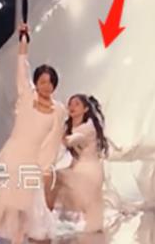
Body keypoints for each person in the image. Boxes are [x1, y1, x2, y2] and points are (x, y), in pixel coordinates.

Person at [0, 22, 67, 243]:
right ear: (36, 82)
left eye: (50, 82)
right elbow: (22, 66)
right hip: (11, 155)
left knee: (23, 208)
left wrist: (45, 167)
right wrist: (23, 40)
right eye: (43, 81)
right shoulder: (26, 96)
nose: (46, 86)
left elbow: (53, 141)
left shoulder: (58, 110)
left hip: (32, 163)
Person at [49, 94, 108, 232]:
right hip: (77, 168)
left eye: (76, 104)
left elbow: (69, 141)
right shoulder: (70, 127)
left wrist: (56, 125)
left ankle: (47, 221)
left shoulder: (88, 128)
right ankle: (50, 219)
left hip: (89, 172)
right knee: (52, 180)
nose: (72, 107)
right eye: (70, 104)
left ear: (85, 109)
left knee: (55, 179)